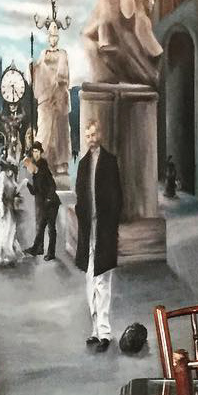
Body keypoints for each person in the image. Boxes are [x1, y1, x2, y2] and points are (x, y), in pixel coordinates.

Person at [74, 119, 122, 353]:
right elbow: (79, 196)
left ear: (100, 135)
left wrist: (110, 225)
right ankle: (95, 330)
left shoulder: (110, 162)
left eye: (93, 135)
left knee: (103, 281)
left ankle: (104, 332)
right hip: (88, 231)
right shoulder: (83, 164)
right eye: (87, 136)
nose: (90, 140)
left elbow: (117, 197)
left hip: (104, 231)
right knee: (90, 281)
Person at [33, 21, 72, 175]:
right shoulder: (43, 54)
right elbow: (38, 72)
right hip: (45, 98)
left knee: (60, 130)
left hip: (59, 97)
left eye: (55, 35)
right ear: (48, 37)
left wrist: (55, 80)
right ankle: (42, 160)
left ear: (58, 37)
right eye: (51, 35)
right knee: (43, 128)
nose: (53, 38)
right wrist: (33, 68)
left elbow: (63, 74)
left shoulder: (63, 54)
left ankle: (61, 162)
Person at [24, 141, 60, 261]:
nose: (36, 154)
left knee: (51, 228)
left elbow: (52, 184)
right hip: (45, 203)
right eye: (34, 152)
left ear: (40, 152)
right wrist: (27, 184)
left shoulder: (43, 166)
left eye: (37, 151)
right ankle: (36, 249)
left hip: (52, 202)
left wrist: (49, 198)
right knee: (41, 227)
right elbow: (35, 191)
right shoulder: (36, 172)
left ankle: (51, 253)